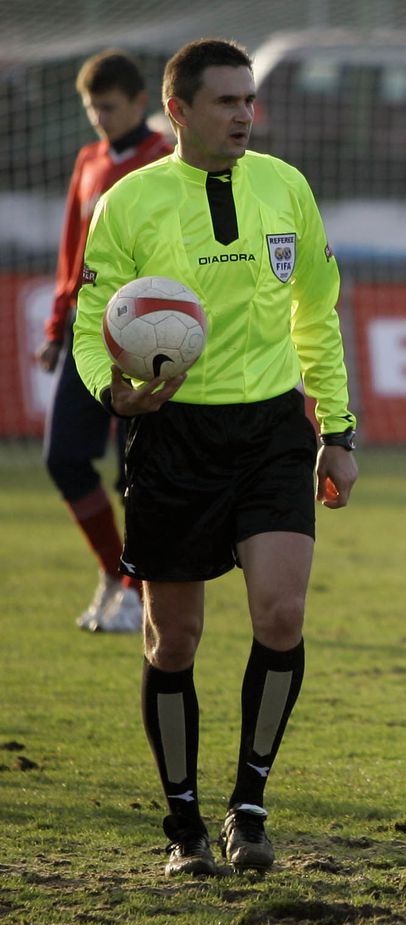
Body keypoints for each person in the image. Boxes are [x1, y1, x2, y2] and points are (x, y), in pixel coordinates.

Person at [72, 38, 359, 877]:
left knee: (280, 616)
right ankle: (183, 824)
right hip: (173, 436)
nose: (244, 114)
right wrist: (110, 394)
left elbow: (318, 309)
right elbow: (96, 329)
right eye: (227, 101)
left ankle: (250, 807)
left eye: (249, 99)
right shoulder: (128, 204)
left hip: (272, 431)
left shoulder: (286, 186)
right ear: (179, 111)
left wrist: (336, 431)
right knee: (175, 641)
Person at [39, 50, 173, 633]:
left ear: (140, 103)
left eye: (109, 108)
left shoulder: (166, 160)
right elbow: (73, 248)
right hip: (86, 331)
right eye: (92, 109)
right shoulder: (90, 160)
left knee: (134, 471)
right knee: (64, 457)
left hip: (143, 333)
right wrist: (55, 324)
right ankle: (115, 573)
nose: (99, 119)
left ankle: (139, 591)